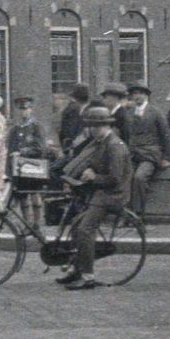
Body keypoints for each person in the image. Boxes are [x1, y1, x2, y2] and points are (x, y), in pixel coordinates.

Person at [58, 104, 131, 291]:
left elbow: (115, 178)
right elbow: (89, 160)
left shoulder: (115, 146)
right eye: (91, 126)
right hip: (101, 192)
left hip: (113, 195)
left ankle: (88, 277)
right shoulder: (100, 142)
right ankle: (77, 269)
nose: (93, 130)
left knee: (84, 229)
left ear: (107, 126)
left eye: (97, 126)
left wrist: (93, 177)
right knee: (75, 224)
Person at [123, 83, 170, 215]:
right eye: (134, 94)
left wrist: (166, 157)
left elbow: (166, 135)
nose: (137, 96)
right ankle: (124, 213)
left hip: (149, 155)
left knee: (139, 177)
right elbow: (126, 135)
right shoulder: (128, 113)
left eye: (140, 93)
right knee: (124, 178)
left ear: (146, 95)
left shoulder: (155, 112)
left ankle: (138, 213)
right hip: (132, 154)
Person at [7, 95, 50, 168]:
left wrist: (21, 152)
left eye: (25, 109)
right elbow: (10, 149)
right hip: (16, 166)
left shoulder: (36, 128)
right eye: (20, 109)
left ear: (31, 109)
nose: (23, 112)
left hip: (32, 165)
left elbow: (41, 149)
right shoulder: (15, 129)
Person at [57, 83, 91, 150]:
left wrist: (70, 146)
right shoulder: (88, 111)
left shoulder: (74, 110)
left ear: (75, 98)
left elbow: (71, 133)